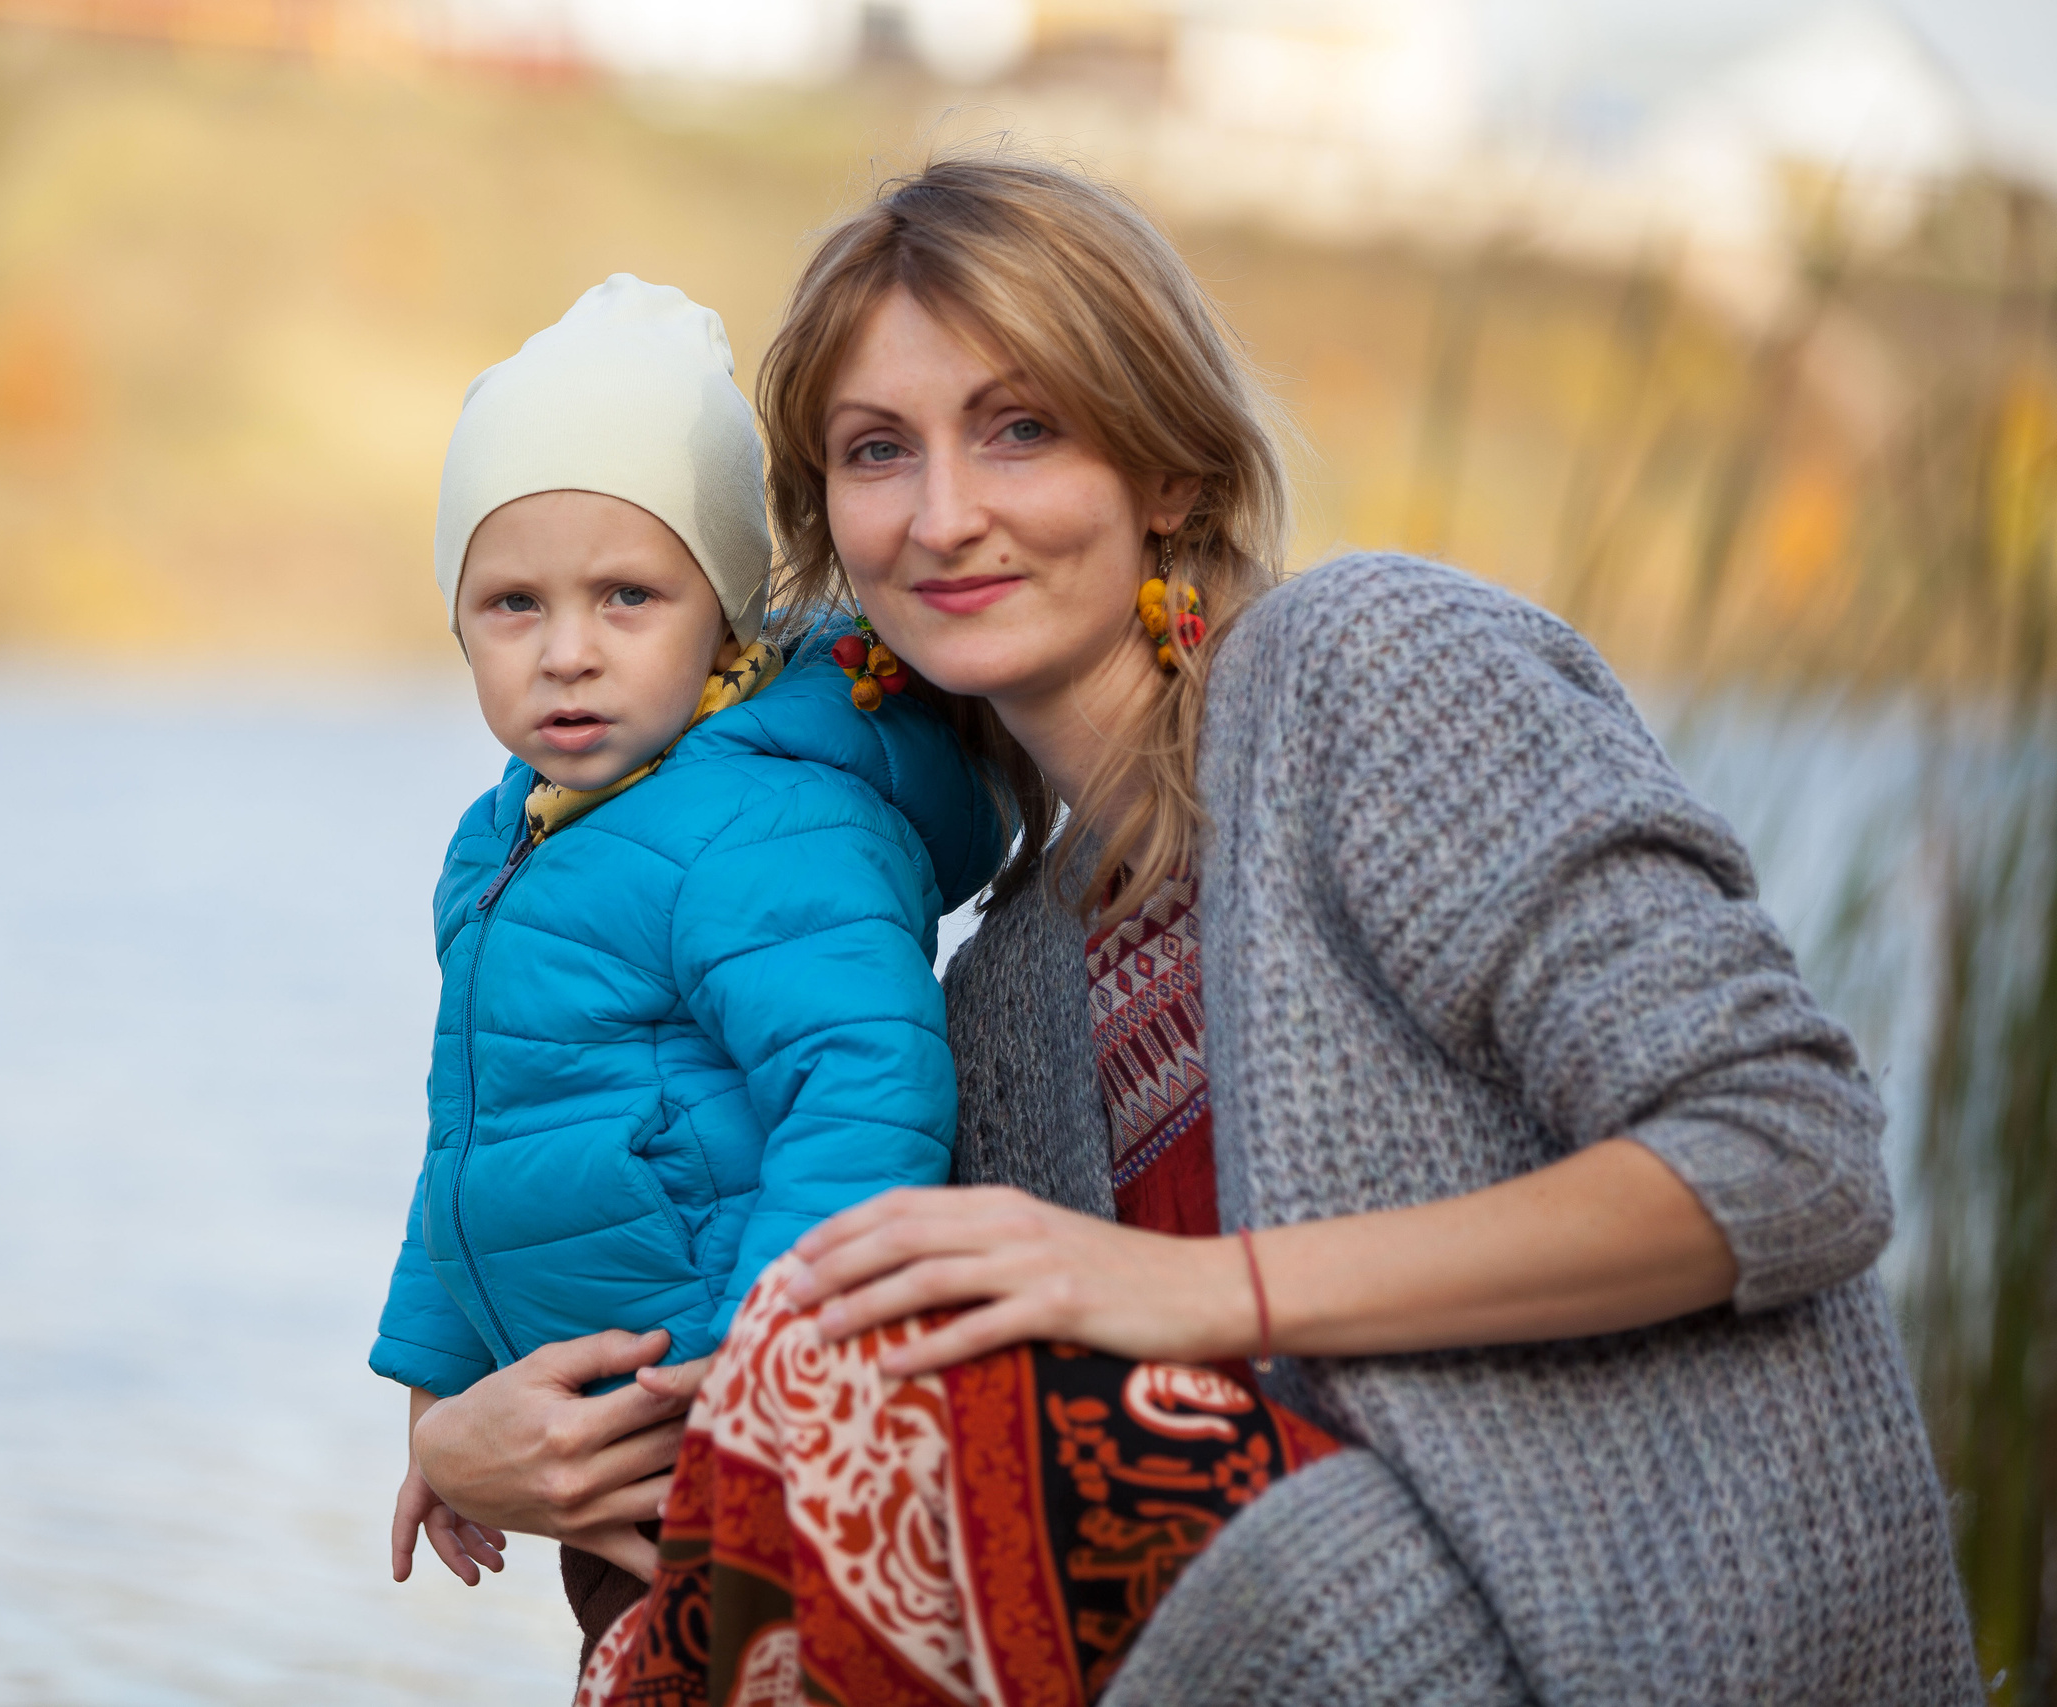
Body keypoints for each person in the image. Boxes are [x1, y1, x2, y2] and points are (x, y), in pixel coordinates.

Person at [415, 164, 1986, 1705]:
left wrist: (1206, 1291)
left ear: (1168, 467)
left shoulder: (1377, 675)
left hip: (1638, 1631)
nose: (945, 514)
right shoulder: (1005, 988)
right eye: (877, 451)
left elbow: (1793, 1155)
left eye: (1020, 427)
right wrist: (478, 1445)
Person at [369, 273, 1013, 1661]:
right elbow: (473, 1131)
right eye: (511, 604)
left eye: (627, 596)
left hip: (729, 1431)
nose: (568, 653)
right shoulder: (509, 838)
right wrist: (436, 1402)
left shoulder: (761, 821)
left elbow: (867, 1090)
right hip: (598, 1447)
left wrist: (749, 1376)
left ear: (721, 614)